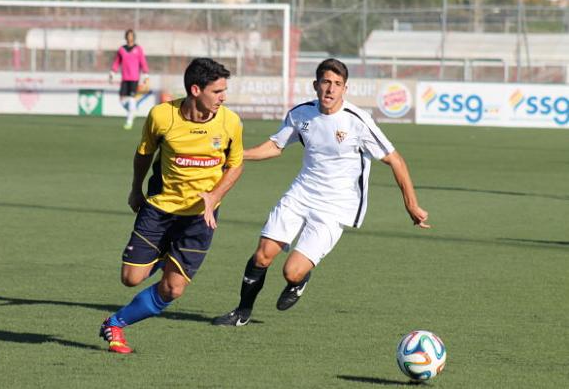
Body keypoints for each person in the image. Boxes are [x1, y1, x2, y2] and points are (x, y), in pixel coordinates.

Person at [212, 58, 429, 327]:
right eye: (326, 82)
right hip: (301, 193)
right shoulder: (301, 114)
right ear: (316, 85)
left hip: (335, 207)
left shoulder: (358, 121)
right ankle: (242, 312)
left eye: (337, 84)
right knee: (262, 254)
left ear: (345, 89)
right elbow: (276, 146)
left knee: (291, 271)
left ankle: (299, 281)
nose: (330, 89)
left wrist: (411, 204)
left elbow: (395, 159)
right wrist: (238, 155)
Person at [100, 57, 244, 353]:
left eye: (224, 91)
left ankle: (115, 323)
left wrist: (215, 196)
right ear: (195, 90)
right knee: (131, 278)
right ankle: (167, 253)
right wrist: (135, 190)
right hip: (160, 210)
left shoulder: (230, 122)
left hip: (199, 219)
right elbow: (143, 154)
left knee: (173, 288)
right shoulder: (162, 116)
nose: (223, 98)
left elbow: (236, 164)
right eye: (217, 92)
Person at [109, 29, 150, 129]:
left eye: (131, 35)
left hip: (134, 78)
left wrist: (146, 75)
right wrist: (112, 72)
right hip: (125, 78)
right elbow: (117, 62)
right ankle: (133, 111)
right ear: (126, 37)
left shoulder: (138, 49)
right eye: (128, 35)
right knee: (122, 100)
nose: (129, 37)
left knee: (132, 99)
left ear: (134, 37)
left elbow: (143, 62)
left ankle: (129, 121)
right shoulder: (121, 49)